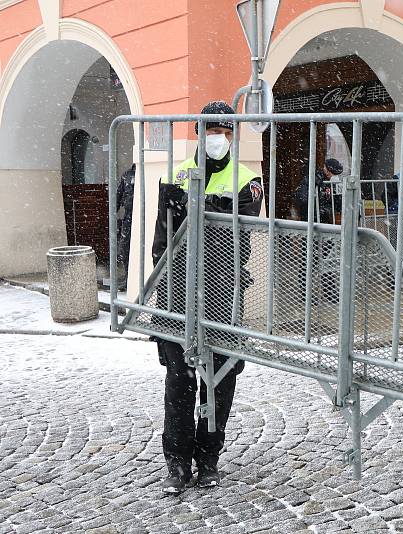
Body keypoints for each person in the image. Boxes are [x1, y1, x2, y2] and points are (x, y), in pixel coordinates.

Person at [152, 100, 264, 494]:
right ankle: (177, 463)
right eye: (210, 130)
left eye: (224, 130)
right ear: (199, 132)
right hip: (179, 293)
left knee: (220, 379)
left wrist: (200, 209)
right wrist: (162, 296)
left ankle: (208, 459)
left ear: (233, 134)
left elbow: (238, 234)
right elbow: (162, 242)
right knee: (178, 381)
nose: (217, 137)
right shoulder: (178, 173)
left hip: (221, 294)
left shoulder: (247, 178)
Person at [293, 158, 343, 223]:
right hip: (310, 216)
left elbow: (337, 203)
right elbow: (302, 197)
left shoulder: (332, 183)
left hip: (323, 218)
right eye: (332, 173)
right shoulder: (314, 178)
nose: (333, 176)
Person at [115, 162, 136, 286]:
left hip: (141, 216)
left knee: (135, 247)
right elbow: (119, 194)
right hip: (128, 216)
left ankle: (132, 278)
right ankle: (128, 276)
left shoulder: (144, 173)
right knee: (124, 248)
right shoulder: (127, 175)